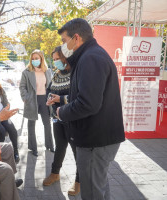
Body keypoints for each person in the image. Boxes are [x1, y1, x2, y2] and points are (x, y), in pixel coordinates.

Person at [56, 18, 125, 200]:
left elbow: (88, 103)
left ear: (76, 38)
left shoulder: (91, 58)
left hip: (96, 140)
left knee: (93, 193)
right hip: (99, 138)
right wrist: (66, 99)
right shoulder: (91, 55)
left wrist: (62, 112)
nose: (63, 46)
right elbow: (86, 94)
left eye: (64, 41)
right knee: (99, 188)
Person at [43, 46, 80, 196]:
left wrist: (61, 99)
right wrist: (49, 99)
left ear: (66, 58)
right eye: (54, 59)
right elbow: (49, 91)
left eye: (58, 59)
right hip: (57, 119)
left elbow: (79, 97)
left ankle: (79, 181)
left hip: (72, 120)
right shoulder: (56, 75)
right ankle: (55, 173)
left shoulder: (76, 73)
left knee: (77, 151)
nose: (56, 62)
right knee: (59, 147)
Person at [19, 49, 54, 157]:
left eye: (36, 58)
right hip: (32, 99)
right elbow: (22, 87)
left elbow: (51, 86)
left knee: (47, 124)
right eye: (33, 59)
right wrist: (26, 98)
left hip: (44, 100)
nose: (34, 60)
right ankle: (33, 148)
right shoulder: (26, 72)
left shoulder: (47, 71)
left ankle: (50, 145)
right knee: (31, 125)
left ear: (41, 59)